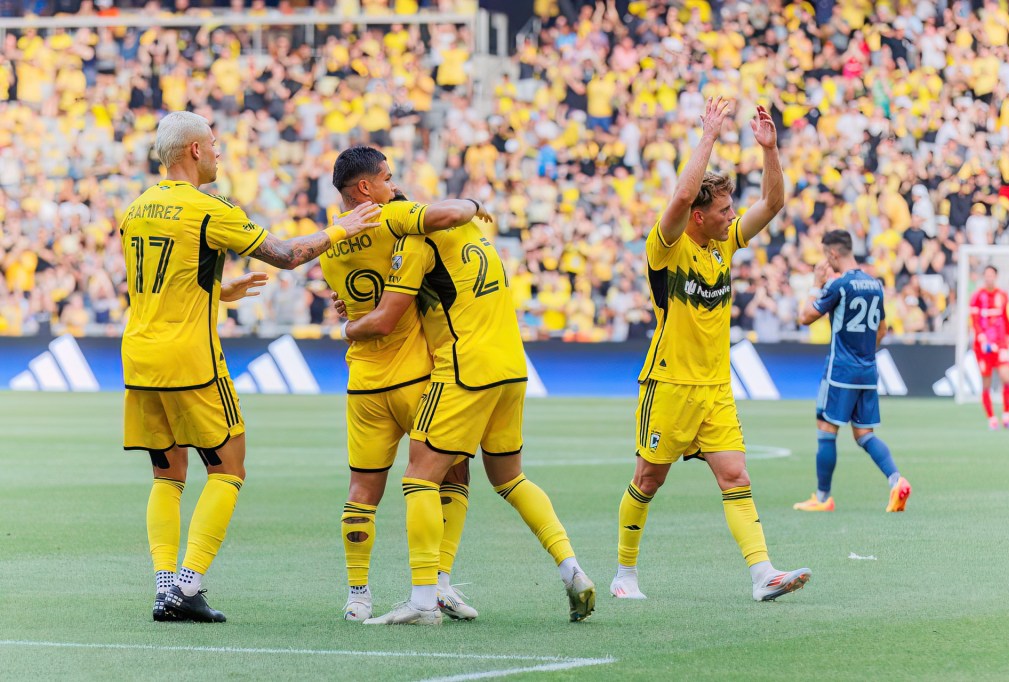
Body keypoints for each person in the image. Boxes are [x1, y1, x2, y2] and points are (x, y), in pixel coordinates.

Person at [122, 111, 379, 623]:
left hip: (139, 355)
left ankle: (164, 586)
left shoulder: (135, 208)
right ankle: (188, 586)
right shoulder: (209, 208)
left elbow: (159, 280)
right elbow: (285, 255)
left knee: (167, 475)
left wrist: (217, 289)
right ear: (195, 150)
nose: (219, 152)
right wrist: (340, 228)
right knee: (229, 467)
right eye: (214, 144)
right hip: (190, 357)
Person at [336, 146, 595, 625]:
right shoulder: (474, 232)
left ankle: (423, 600)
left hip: (464, 366)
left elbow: (389, 315)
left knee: (419, 478)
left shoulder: (416, 240)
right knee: (510, 478)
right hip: (512, 366)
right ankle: (571, 568)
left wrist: (349, 324)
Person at [610, 98, 811, 603]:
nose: (732, 216)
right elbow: (681, 195)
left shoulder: (724, 244)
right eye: (723, 210)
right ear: (698, 217)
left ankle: (762, 574)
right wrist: (709, 136)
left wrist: (770, 151)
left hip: (716, 388)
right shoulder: (667, 247)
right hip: (669, 385)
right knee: (648, 479)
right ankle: (624, 573)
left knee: (735, 474)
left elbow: (773, 204)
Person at [320, 147, 476, 623]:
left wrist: (347, 320)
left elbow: (347, 301)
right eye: (387, 178)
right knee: (450, 474)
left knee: (362, 490)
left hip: (364, 382)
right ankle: (437, 584)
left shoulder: (331, 240)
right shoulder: (393, 218)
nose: (393, 185)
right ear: (365, 187)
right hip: (416, 378)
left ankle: (357, 595)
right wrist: (473, 204)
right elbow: (447, 215)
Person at [794, 230, 912, 513]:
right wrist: (864, 351)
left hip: (841, 371)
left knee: (826, 429)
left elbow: (805, 317)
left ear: (833, 254)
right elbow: (882, 329)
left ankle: (823, 498)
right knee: (864, 434)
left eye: (826, 255)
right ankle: (896, 480)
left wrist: (816, 284)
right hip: (868, 370)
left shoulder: (839, 285)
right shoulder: (875, 284)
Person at [970, 265, 1009, 430]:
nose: (989, 278)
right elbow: (975, 321)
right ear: (984, 277)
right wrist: (982, 339)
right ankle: (991, 418)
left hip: (1001, 343)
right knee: (986, 382)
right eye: (986, 275)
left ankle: (1007, 415)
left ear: (996, 277)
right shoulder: (977, 296)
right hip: (984, 347)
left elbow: (1005, 318)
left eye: (991, 275)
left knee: (1007, 377)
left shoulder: (1002, 295)